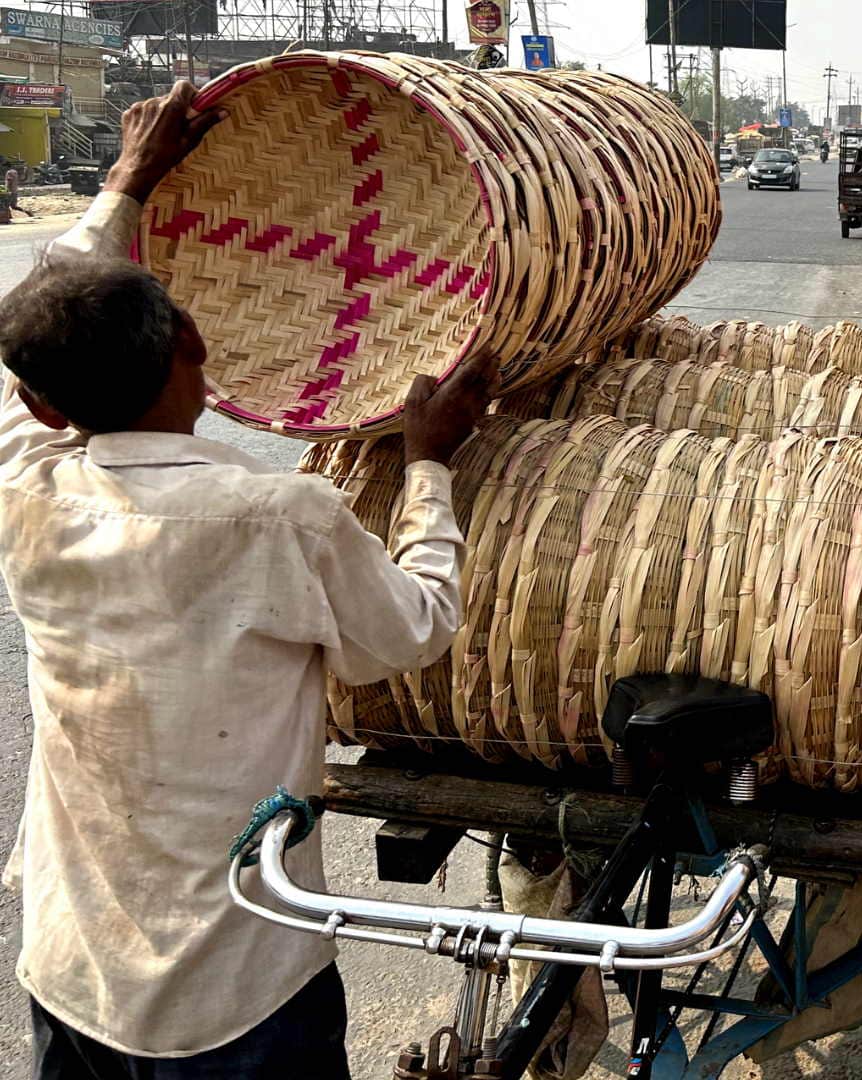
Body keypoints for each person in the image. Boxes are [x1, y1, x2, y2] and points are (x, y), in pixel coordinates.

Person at [0, 85, 493, 1079]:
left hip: (73, 963)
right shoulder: (278, 516)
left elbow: (33, 336)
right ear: (196, 346)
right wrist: (431, 466)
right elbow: (415, 629)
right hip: (240, 985)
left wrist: (125, 184)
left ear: (44, 410)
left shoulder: (28, 487)